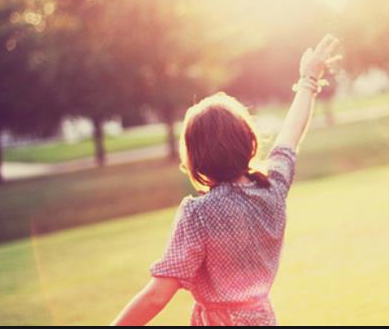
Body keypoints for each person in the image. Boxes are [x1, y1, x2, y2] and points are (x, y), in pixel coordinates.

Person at [112, 34, 342, 326]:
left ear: (196, 158)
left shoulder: (199, 215)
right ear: (249, 141)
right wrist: (309, 79)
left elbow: (158, 295)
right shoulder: (271, 188)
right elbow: (290, 136)